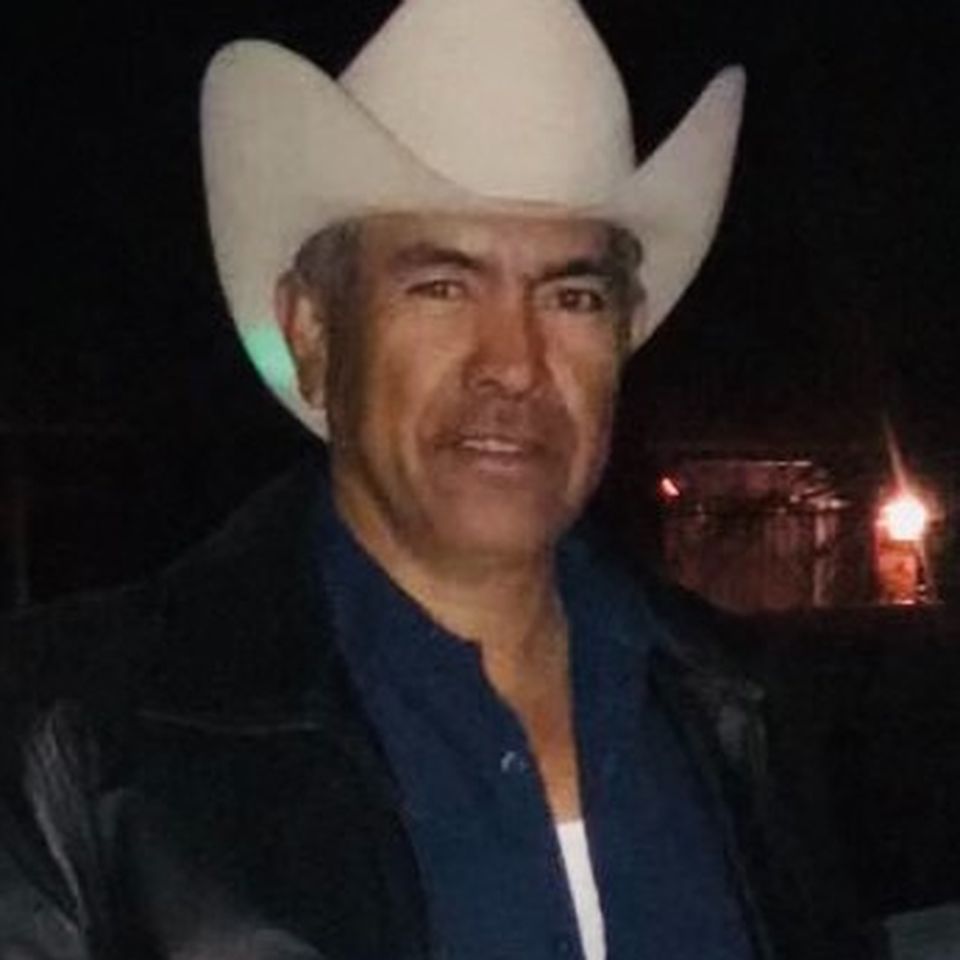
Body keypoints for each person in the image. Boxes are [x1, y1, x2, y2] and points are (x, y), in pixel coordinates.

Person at [0, 1, 879, 957]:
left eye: (571, 295)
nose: (514, 363)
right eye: (442, 286)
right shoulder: (78, 741)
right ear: (313, 334)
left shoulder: (742, 713)